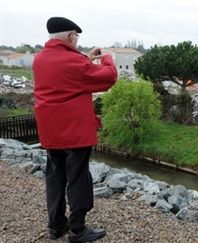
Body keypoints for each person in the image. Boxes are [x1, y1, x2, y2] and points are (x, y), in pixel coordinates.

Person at [33, 17, 117, 242]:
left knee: (55, 177)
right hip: (75, 133)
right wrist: (107, 58)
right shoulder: (74, 62)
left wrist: (86, 59)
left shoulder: (40, 60)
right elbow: (108, 78)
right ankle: (78, 230)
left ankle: (56, 226)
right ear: (71, 36)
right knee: (78, 178)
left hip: (50, 132)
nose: (77, 40)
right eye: (76, 36)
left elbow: (68, 74)